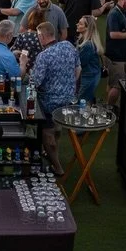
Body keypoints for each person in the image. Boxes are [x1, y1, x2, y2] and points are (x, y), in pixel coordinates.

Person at [30, 22, 79, 173]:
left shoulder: (43, 56)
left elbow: (35, 82)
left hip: (49, 102)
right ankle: (52, 152)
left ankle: (57, 167)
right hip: (69, 98)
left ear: (42, 36)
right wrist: (68, 85)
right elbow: (78, 69)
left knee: (47, 133)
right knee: (57, 129)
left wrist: (26, 68)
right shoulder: (69, 46)